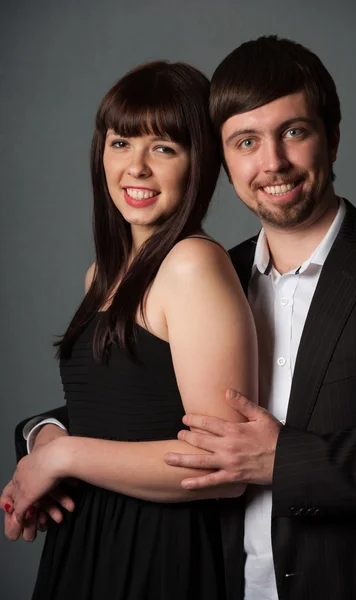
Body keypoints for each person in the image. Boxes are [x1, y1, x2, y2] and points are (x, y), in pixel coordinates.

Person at [4, 34, 356, 600]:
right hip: (220, 573)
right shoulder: (216, 270)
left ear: (332, 139)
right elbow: (148, 403)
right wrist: (48, 434)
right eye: (245, 141)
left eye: (294, 131)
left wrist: (286, 461)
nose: (272, 163)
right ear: (224, 157)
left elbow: (220, 457)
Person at [0, 60, 258, 600]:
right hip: (86, 536)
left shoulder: (192, 263)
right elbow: (118, 410)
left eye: (163, 148)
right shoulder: (101, 274)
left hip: (155, 551)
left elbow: (222, 466)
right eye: (121, 143)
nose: (135, 167)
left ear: (198, 164)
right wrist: (44, 438)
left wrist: (63, 458)